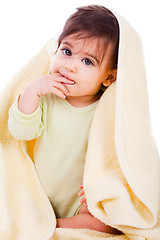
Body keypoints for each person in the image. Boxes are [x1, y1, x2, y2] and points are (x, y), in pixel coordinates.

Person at [8, 5, 122, 234]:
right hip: (36, 193)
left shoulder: (107, 112)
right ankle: (38, 219)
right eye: (67, 52)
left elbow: (116, 159)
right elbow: (20, 132)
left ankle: (55, 225)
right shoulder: (45, 96)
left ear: (109, 77)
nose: (70, 66)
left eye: (88, 62)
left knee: (106, 223)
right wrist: (31, 91)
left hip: (79, 203)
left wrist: (100, 188)